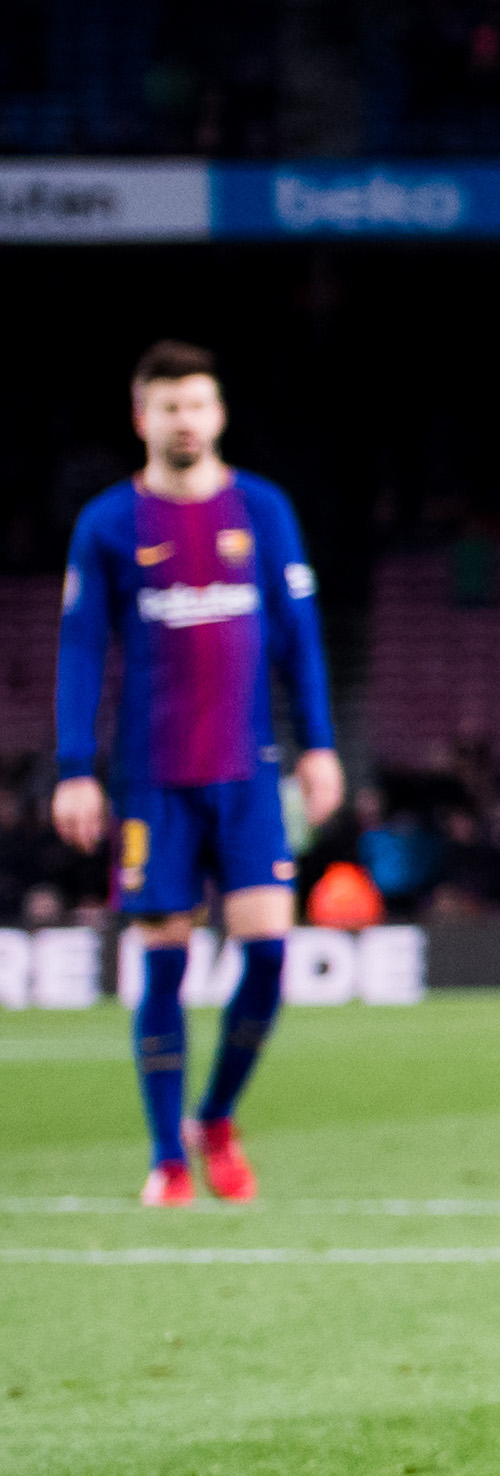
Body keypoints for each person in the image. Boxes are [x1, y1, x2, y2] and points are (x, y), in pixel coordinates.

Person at [51, 342, 341, 1208]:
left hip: (249, 776)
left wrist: (320, 745)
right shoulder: (107, 523)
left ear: (218, 415)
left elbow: (300, 638)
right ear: (143, 418)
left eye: (201, 405)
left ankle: (215, 1117)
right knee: (165, 963)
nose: (187, 420)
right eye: (170, 406)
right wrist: (75, 768)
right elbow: (78, 651)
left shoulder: (263, 509)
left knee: (267, 956)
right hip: (152, 782)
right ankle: (166, 1157)